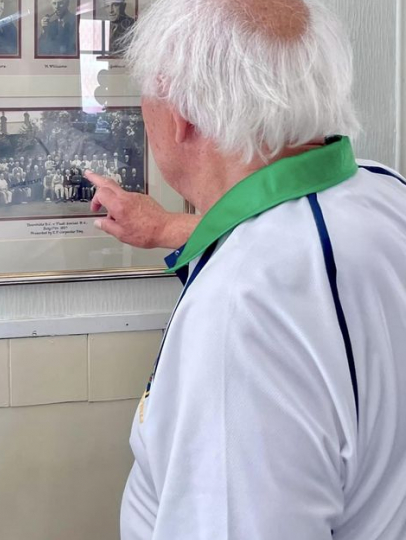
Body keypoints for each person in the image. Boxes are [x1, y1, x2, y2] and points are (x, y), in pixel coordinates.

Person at [84, 0, 406, 538]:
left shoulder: (243, 311)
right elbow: (292, 239)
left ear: (180, 113)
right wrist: (168, 229)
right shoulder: (383, 189)